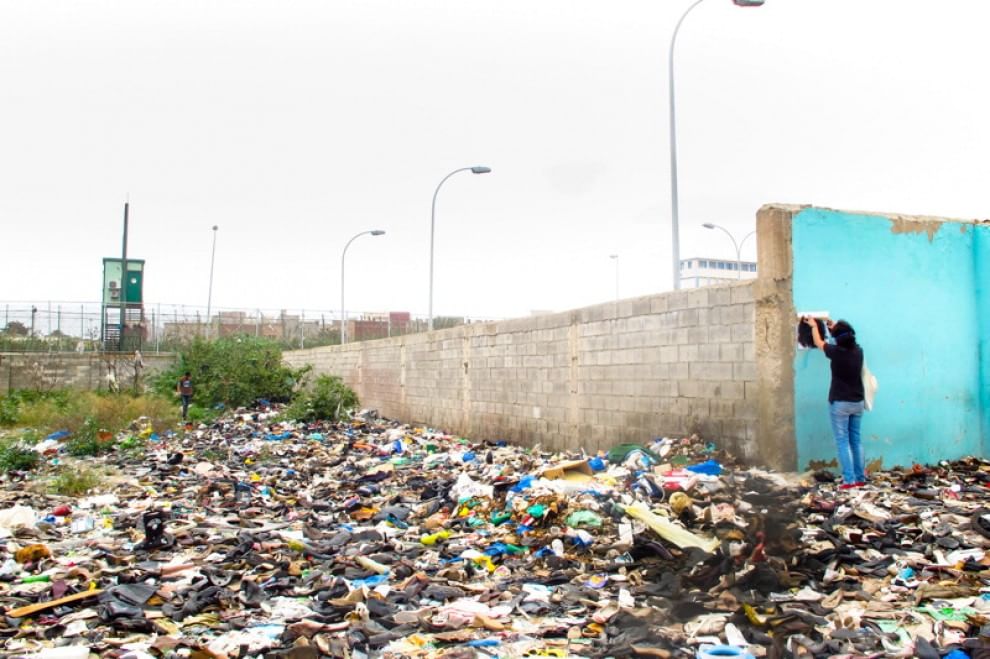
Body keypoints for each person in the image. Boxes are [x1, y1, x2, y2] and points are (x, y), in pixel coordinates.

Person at [803, 316, 866, 489]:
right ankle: (860, 478)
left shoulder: (836, 352)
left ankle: (849, 481)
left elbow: (818, 341)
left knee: (842, 441)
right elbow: (840, 339)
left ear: (837, 338)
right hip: (857, 402)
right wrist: (833, 328)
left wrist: (815, 326)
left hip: (840, 403)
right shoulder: (858, 351)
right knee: (856, 440)